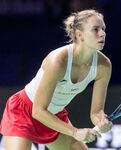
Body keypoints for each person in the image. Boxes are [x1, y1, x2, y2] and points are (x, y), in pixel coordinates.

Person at [0, 9, 112, 150]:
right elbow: (38, 111)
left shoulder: (103, 66)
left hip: (53, 116)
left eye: (103, 29)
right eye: (95, 29)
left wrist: (101, 121)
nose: (102, 33)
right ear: (79, 35)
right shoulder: (58, 61)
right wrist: (75, 132)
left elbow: (96, 112)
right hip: (24, 112)